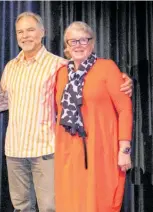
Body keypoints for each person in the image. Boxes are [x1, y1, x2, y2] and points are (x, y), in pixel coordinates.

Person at [0, 12, 133, 212]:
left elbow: (99, 83)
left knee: (52, 207)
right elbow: (1, 102)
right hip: (17, 149)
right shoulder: (11, 67)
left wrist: (126, 80)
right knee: (22, 207)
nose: (25, 35)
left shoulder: (58, 65)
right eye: (20, 31)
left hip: (46, 150)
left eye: (30, 30)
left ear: (42, 32)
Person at [54, 21, 132, 212]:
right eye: (73, 41)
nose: (78, 45)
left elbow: (125, 109)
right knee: (71, 201)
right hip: (69, 151)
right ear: (66, 46)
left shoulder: (107, 68)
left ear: (93, 43)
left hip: (101, 149)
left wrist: (125, 149)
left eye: (83, 40)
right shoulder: (61, 73)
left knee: (99, 201)